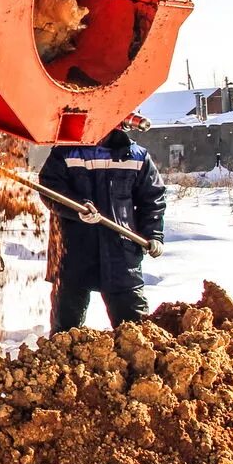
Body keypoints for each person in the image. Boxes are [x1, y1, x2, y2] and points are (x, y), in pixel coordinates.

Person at [39, 125, 167, 334]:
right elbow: (50, 188)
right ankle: (62, 363)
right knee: (65, 331)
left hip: (121, 252)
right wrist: (77, 207)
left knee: (135, 331)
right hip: (72, 250)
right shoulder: (66, 151)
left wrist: (153, 234)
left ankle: (137, 365)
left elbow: (152, 198)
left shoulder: (136, 156)